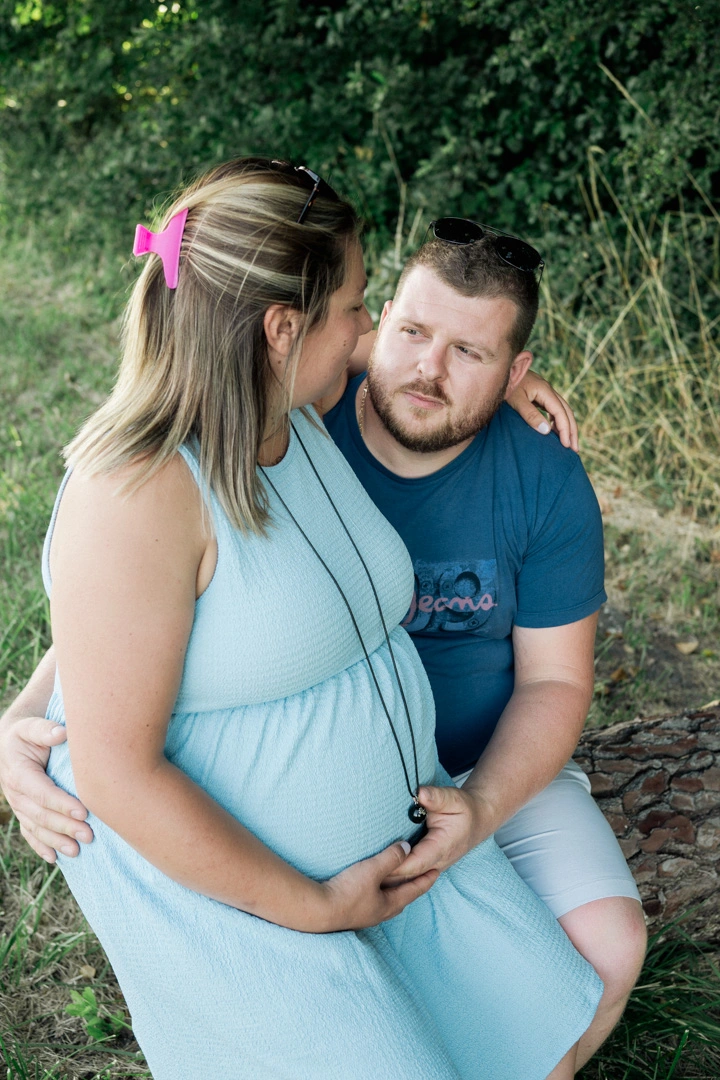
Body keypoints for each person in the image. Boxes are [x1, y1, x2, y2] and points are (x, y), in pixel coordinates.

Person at [0, 157, 603, 1079]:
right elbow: (120, 767)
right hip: (267, 910)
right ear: (283, 329)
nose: (373, 338)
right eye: (364, 309)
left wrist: (489, 379)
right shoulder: (139, 489)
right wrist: (317, 906)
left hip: (402, 847)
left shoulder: (293, 405)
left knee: (537, 1049)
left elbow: (362, 353)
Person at [312, 225, 648, 1070]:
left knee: (610, 945)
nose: (429, 370)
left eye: (470, 351)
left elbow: (555, 683)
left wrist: (486, 808)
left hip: (483, 762)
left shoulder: (545, 478)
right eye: (414, 334)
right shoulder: (302, 425)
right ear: (371, 326)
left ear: (516, 375)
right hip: (328, 770)